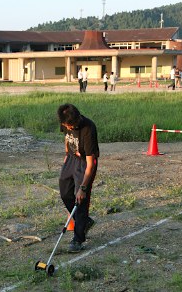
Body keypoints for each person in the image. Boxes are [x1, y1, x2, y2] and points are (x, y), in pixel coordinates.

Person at [57, 104, 99, 253]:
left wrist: (83, 187)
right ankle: (84, 221)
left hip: (84, 164)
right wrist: (66, 156)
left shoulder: (88, 128)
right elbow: (66, 139)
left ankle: (78, 239)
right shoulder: (65, 120)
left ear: (75, 121)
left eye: (69, 125)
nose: (67, 128)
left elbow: (91, 163)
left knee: (80, 200)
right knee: (65, 192)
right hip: (71, 159)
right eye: (65, 125)